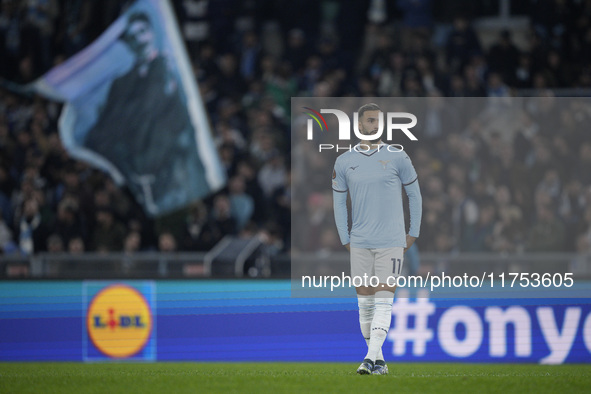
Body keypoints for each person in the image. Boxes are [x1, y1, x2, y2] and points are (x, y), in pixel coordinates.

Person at [83, 11, 208, 215]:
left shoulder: (174, 71)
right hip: (137, 178)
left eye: (142, 32)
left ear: (152, 34)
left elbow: (184, 121)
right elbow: (103, 131)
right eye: (132, 36)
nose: (138, 39)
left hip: (174, 174)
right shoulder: (121, 83)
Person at [332, 103, 422, 375]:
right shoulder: (344, 161)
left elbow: (415, 195)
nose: (375, 125)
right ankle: (379, 361)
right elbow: (338, 202)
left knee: (384, 300)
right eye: (370, 121)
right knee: (365, 305)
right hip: (359, 242)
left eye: (379, 121)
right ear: (359, 126)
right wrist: (344, 237)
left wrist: (413, 232)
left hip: (391, 242)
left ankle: (369, 359)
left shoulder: (398, 156)